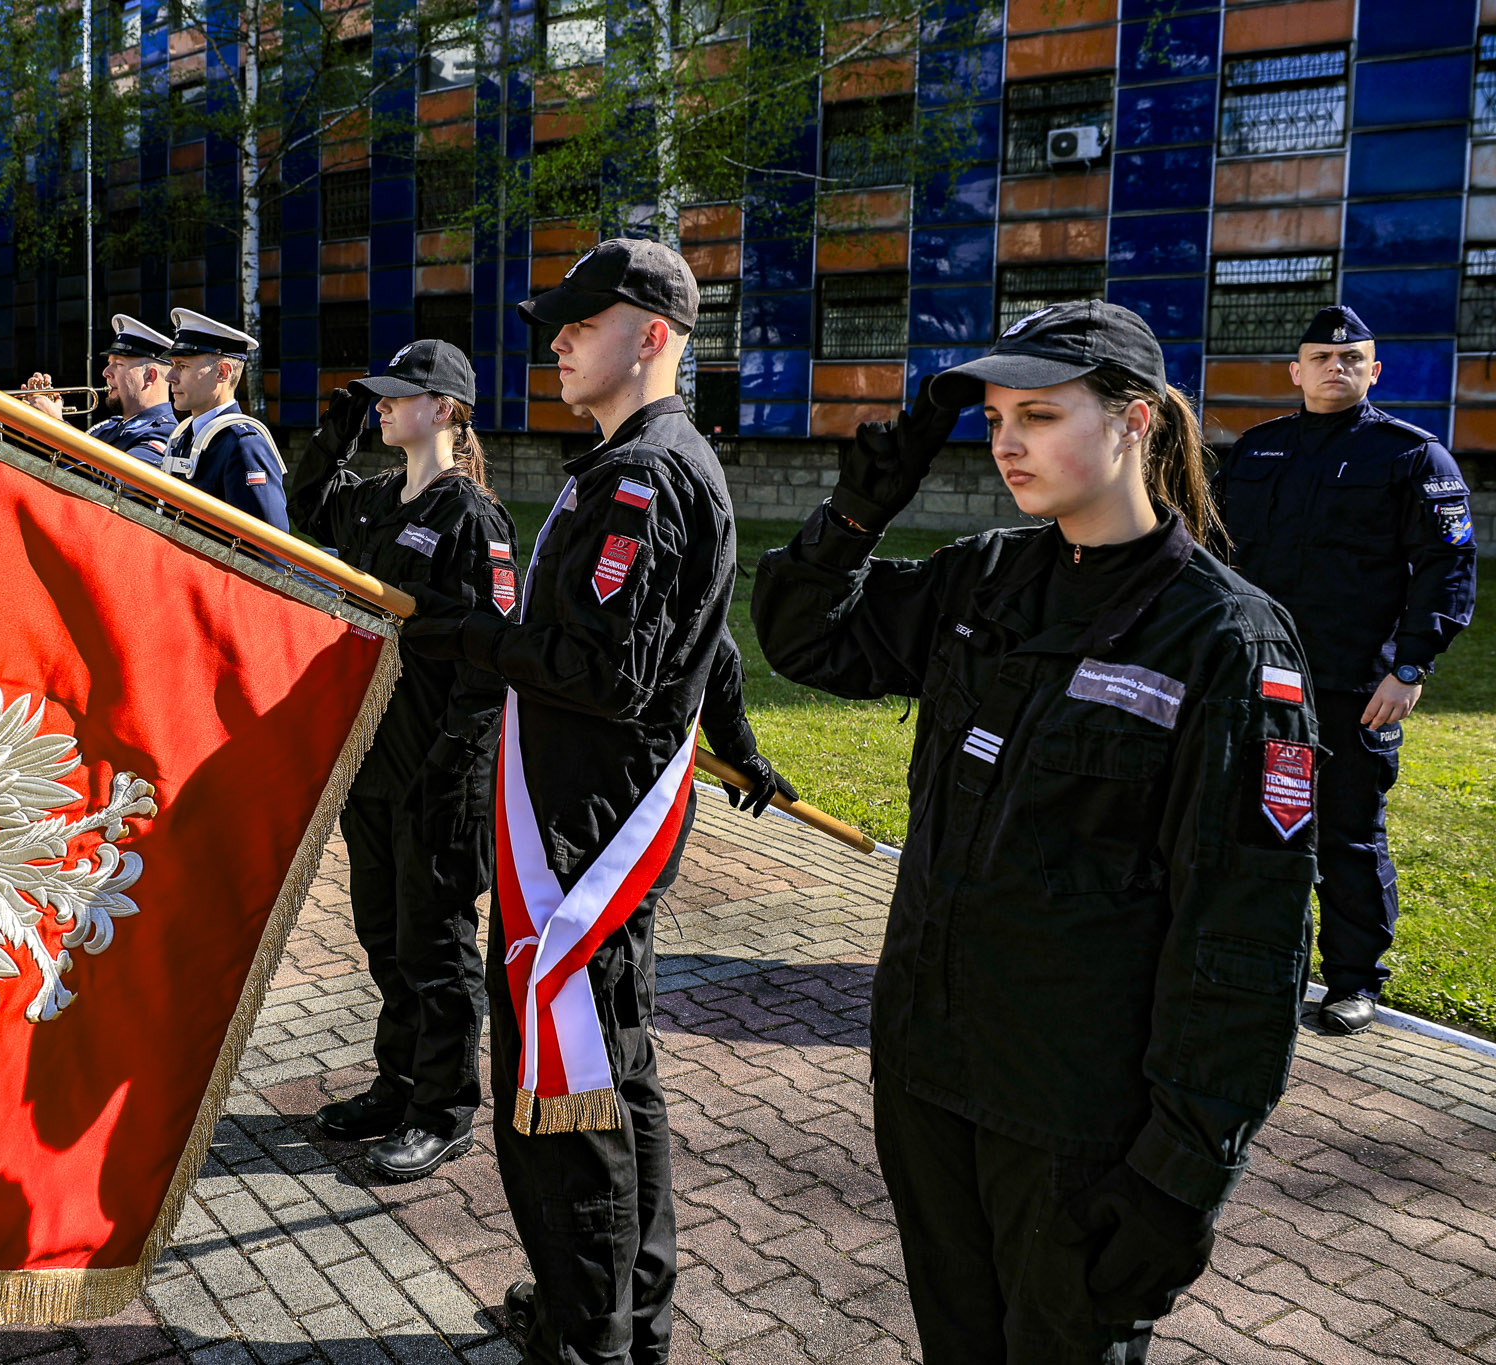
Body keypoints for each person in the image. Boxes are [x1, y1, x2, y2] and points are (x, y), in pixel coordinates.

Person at [750, 300, 1319, 1363]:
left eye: (1041, 415)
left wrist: (1179, 1176)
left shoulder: (1224, 638)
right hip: (928, 1074)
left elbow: (1241, 938)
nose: (1007, 441)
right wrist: (857, 515)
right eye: (997, 415)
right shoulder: (987, 575)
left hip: (1072, 1123)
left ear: (1134, 422)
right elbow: (805, 641)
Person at [399, 239, 795, 1365]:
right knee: (607, 1079)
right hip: (580, 813)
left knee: (570, 1087)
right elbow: (703, 636)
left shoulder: (644, 473)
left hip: (584, 827)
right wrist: (739, 743)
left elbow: (602, 671)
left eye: (581, 321)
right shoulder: (633, 460)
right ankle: (615, 1312)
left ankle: (594, 1336)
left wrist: (459, 631)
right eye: (556, 325)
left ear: (654, 335)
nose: (558, 340)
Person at [1214, 305, 1477, 1037]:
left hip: (1355, 686)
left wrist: (1410, 665)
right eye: (1322, 359)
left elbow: (1447, 566)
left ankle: (1354, 981)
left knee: (1349, 834)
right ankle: (1270, 965)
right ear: (1295, 371)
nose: (1337, 368)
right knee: (1257, 826)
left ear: (1374, 370)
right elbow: (1214, 554)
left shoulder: (1412, 456)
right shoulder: (1257, 451)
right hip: (1256, 680)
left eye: (1351, 359)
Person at [290, 340, 520, 1180]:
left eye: (396, 396)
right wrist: (336, 431)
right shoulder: (377, 499)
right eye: (377, 397)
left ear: (446, 411)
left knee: (437, 945)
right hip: (373, 763)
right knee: (384, 935)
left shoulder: (474, 518)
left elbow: (490, 660)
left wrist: (454, 775)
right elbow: (304, 502)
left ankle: (444, 1107)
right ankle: (397, 1082)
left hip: (438, 773)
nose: (383, 405)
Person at [159, 308, 289, 530]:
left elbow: (267, 552)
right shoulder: (184, 436)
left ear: (222, 373)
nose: (170, 377)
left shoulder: (243, 444)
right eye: (172, 366)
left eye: (182, 366)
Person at [18, 314, 180, 466]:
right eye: (109, 363)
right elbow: (56, 468)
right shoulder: (109, 427)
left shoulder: (164, 435)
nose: (106, 373)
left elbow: (106, 484)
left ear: (150, 377)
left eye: (118, 364)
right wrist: (34, 428)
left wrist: (55, 426)